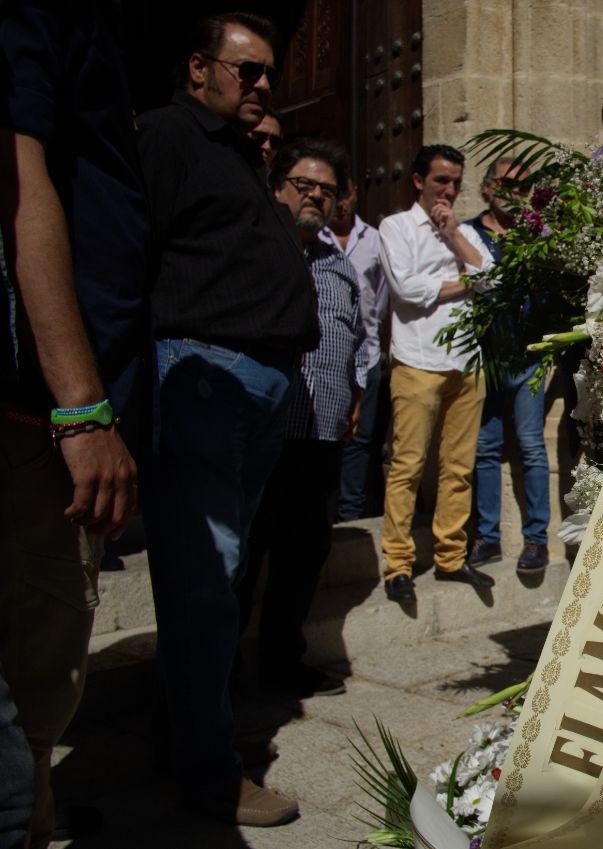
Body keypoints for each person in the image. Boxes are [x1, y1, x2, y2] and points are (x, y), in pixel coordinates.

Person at [135, 11, 316, 827]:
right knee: (205, 580)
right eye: (249, 71)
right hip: (206, 375)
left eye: (270, 72)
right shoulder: (169, 136)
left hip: (258, 385)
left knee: (229, 578)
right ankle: (209, 774)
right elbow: (133, 255)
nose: (265, 86)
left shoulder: (237, 151)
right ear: (199, 67)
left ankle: (197, 732)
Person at [0, 3, 147, 846]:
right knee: (35, 671)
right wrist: (80, 407)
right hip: (35, 410)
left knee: (43, 681)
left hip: (52, 404)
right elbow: (21, 185)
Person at [239, 140, 366, 699]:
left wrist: (356, 390)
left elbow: (358, 335)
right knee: (244, 554)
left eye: (328, 189)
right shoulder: (254, 248)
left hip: (320, 436)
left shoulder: (338, 264)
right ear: (277, 186)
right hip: (262, 430)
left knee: (303, 553)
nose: (316, 194)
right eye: (304, 184)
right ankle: (220, 673)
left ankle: (281, 661)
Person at [379, 144, 495, 599]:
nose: (449, 189)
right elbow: (407, 289)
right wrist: (468, 282)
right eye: (440, 180)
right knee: (408, 465)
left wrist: (454, 239)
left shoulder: (464, 232)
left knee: (459, 467)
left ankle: (451, 557)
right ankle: (398, 565)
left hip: (467, 362)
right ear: (418, 181)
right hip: (418, 360)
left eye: (455, 182)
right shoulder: (396, 227)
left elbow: (495, 279)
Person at [465, 159, 551, 574]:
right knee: (485, 449)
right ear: (486, 189)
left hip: (529, 358)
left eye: (520, 186)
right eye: (504, 184)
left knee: (532, 446)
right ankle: (487, 537)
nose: (512, 192)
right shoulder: (468, 235)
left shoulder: (535, 234)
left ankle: (536, 540)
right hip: (486, 359)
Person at [324, 178, 389, 521]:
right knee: (321, 437)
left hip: (368, 355)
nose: (341, 203)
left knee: (361, 438)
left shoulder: (375, 240)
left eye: (345, 194)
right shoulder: (312, 237)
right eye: (335, 195)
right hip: (322, 358)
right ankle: (321, 509)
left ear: (355, 193)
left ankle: (350, 512)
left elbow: (379, 299)